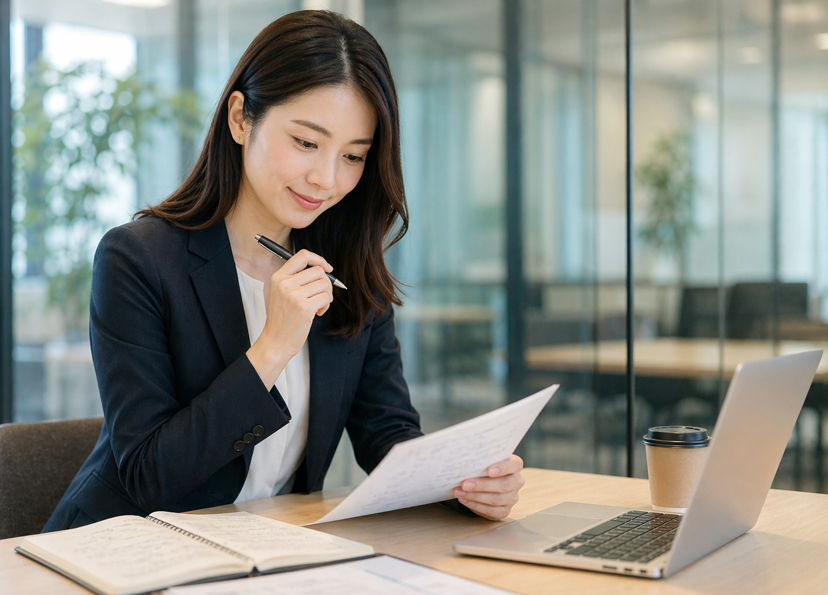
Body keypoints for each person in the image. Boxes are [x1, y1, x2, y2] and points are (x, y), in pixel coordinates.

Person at [44, 10, 524, 532]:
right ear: (240, 118)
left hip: (266, 554)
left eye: (354, 156)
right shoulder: (137, 259)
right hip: (121, 548)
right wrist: (273, 347)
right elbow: (149, 475)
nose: (327, 179)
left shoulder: (347, 270)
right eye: (306, 143)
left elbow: (386, 432)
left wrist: (463, 483)